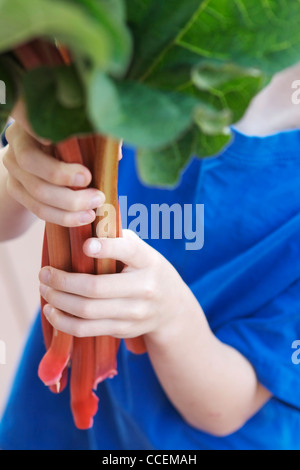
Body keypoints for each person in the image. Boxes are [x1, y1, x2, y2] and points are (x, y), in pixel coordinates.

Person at [0, 62, 300, 451]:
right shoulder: (134, 47)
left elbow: (228, 408)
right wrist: (20, 177)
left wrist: (170, 314)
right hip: (55, 427)